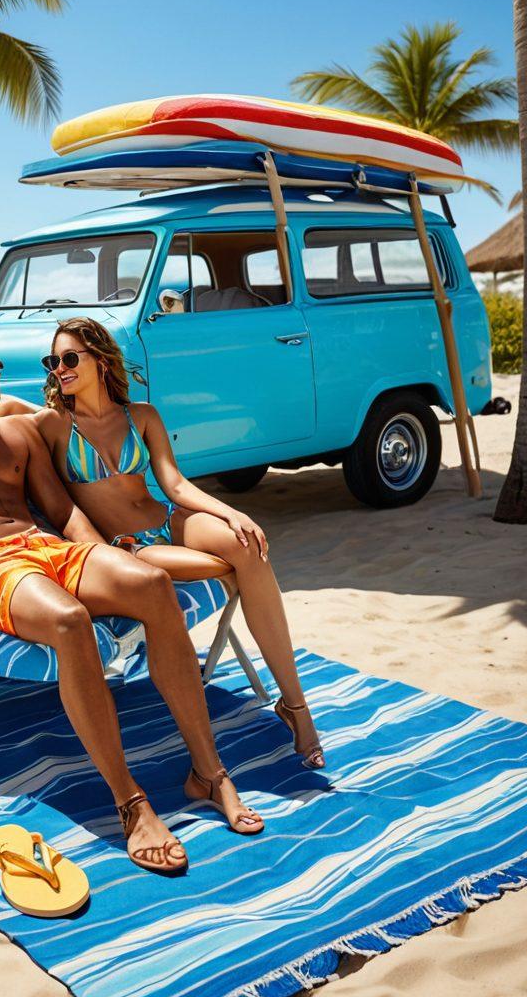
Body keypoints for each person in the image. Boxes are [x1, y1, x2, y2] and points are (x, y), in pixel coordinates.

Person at [0, 313, 263, 876]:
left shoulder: (17, 430)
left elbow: (61, 510)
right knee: (71, 622)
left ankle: (208, 772)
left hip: (49, 547)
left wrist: (103, 556)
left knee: (151, 584)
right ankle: (131, 802)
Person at [35, 316, 324, 769]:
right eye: (53, 361)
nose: (60, 368)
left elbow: (174, 484)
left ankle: (295, 705)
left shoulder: (142, 415)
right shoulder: (54, 424)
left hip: (167, 519)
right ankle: (276, 698)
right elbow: (1, 419)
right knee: (233, 567)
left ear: (100, 360)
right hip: (130, 547)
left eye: (70, 358)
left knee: (248, 545)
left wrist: (232, 512)